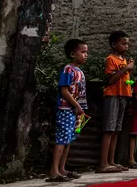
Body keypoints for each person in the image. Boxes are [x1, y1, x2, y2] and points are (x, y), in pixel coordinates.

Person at [47, 39, 89, 182]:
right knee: (61, 139)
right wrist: (76, 105)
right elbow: (64, 90)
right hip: (65, 108)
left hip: (75, 110)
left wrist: (80, 108)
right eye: (83, 52)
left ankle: (62, 168)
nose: (86, 55)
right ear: (72, 54)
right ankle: (54, 170)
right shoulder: (68, 70)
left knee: (68, 139)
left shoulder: (80, 72)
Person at [98, 31, 133, 173]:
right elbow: (110, 80)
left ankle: (111, 161)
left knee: (117, 130)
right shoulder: (110, 59)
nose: (126, 46)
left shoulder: (124, 60)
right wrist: (126, 69)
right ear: (114, 44)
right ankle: (102, 163)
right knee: (109, 129)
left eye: (127, 43)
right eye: (123, 43)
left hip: (123, 96)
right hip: (112, 95)